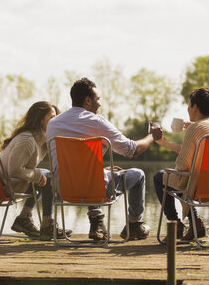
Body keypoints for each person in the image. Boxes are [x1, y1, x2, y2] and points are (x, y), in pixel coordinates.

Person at [46, 77, 162, 241]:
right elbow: (131, 150)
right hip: (94, 190)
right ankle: (135, 225)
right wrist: (152, 136)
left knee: (96, 176)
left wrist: (99, 170)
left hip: (62, 189)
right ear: (87, 100)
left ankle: (97, 223)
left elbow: (73, 164)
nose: (99, 104)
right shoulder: (96, 122)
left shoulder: (53, 124)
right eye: (97, 99)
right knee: (138, 175)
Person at [153, 88, 209, 241]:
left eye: (188, 104)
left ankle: (176, 224)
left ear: (195, 107)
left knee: (161, 177)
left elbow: (183, 166)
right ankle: (195, 224)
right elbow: (196, 154)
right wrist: (166, 143)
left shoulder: (195, 128)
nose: (187, 108)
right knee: (182, 178)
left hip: (199, 185)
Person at [0, 101, 71, 240]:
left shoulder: (40, 139)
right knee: (46, 177)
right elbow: (14, 170)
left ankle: (23, 219)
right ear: (40, 120)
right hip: (5, 185)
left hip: (11, 182)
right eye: (52, 118)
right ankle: (47, 225)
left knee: (45, 175)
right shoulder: (27, 140)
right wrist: (38, 176)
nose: (55, 121)